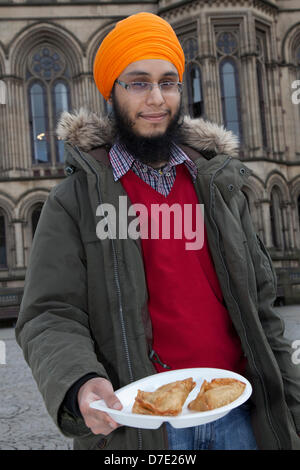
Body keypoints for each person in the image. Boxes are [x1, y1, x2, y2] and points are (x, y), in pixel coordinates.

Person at [15, 12, 300, 451]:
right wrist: (80, 380)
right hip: (143, 428)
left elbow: (261, 308)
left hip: (238, 415)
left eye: (168, 82)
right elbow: (50, 313)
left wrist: (291, 406)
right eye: (138, 82)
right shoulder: (73, 200)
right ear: (111, 91)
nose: (156, 98)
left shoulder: (222, 187)